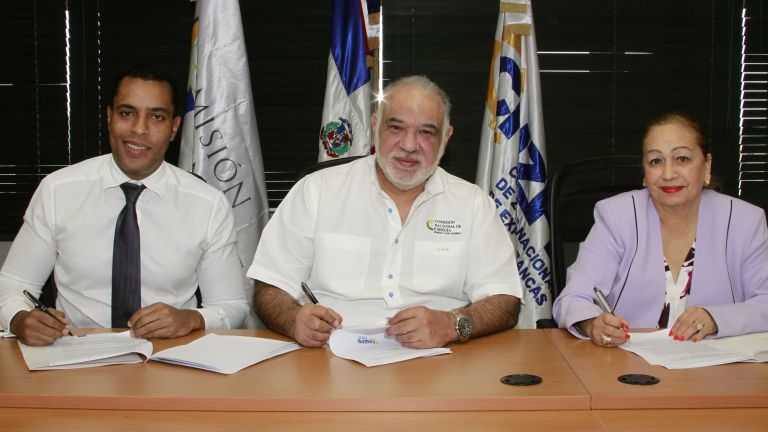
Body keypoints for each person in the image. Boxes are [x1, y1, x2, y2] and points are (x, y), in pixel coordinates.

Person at [248, 75, 522, 349]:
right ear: (375, 125)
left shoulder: (472, 203)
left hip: (439, 361)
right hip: (328, 359)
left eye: (426, 132)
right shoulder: (316, 191)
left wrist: (454, 324)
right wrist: (294, 318)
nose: (410, 145)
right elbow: (270, 287)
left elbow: (505, 299)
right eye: (396, 127)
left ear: (446, 137)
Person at [0, 65, 249, 346]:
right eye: (127, 113)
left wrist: (190, 319)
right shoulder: (58, 191)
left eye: (156, 117)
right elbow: (12, 285)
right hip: (74, 352)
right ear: (109, 117)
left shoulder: (208, 204)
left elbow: (232, 306)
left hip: (169, 356)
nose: (139, 129)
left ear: (174, 128)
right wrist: (19, 318)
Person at [553, 112, 768, 346]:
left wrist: (715, 318)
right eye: (656, 161)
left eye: (682, 159)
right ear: (645, 173)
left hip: (716, 371)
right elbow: (573, 299)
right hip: (629, 367)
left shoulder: (745, 220)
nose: (668, 174)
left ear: (706, 166)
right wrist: (593, 323)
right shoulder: (616, 216)